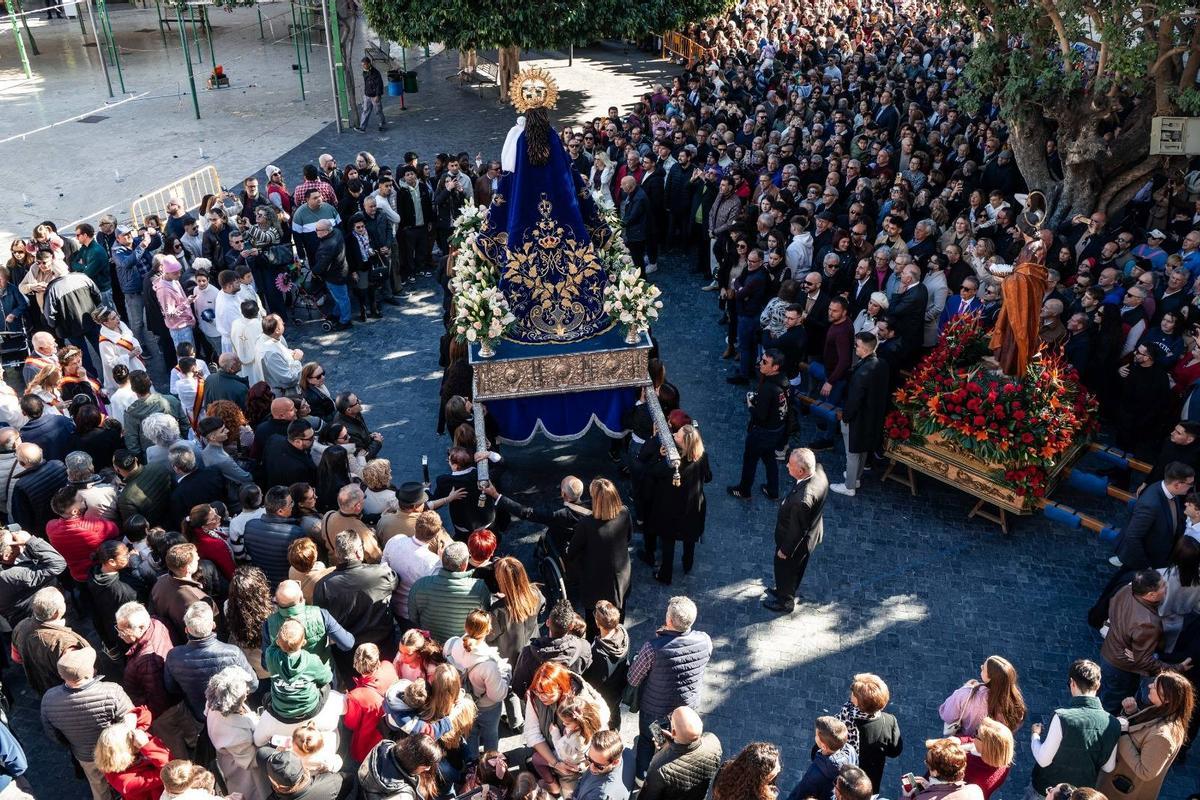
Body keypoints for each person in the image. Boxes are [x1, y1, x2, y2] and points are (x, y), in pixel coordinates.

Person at [628, 596, 713, 781]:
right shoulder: (705, 640)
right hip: (685, 711)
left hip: (655, 713)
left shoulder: (652, 648)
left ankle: (642, 777)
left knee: (648, 741)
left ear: (669, 620)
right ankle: (666, 762)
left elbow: (633, 678)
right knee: (675, 743)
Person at [40, 647, 134, 800]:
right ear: (90, 671)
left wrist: (73, 745)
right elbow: (130, 722)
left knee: (98, 786)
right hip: (116, 751)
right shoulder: (112, 691)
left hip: (85, 755)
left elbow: (53, 734)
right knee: (127, 782)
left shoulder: (48, 699)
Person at [1028, 659, 1121, 799]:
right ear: (1098, 685)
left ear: (1072, 683)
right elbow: (1108, 767)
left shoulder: (1062, 717)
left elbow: (1043, 759)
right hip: (1081, 794)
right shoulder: (1114, 724)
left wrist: (1035, 735)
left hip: (1048, 790)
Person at [1097, 670, 1195, 800]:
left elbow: (1146, 772)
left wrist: (1123, 734)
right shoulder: (1160, 709)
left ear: (1167, 698)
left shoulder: (1162, 737)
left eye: (1155, 686)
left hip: (1123, 791)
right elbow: (1144, 730)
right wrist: (1132, 712)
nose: (1149, 686)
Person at [313, 531, 397, 676]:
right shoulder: (381, 573)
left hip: (347, 654)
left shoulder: (323, 586)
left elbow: (321, 620)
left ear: (337, 554)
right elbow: (395, 582)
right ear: (358, 552)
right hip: (382, 645)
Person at [1098, 570, 1182, 713]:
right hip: (1121, 668)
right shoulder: (1148, 623)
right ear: (1151, 595)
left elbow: (1113, 610)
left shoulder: (1126, 590)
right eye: (1163, 586)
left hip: (1108, 653)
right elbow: (1144, 661)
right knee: (1112, 703)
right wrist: (1177, 668)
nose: (1166, 586)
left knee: (1106, 691)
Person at [164, 601, 259, 721]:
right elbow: (253, 685)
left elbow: (171, 688)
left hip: (198, 714)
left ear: (186, 630)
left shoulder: (173, 656)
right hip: (228, 714)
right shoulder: (233, 653)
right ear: (213, 625)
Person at [643, 424, 711, 584]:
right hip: (693, 508)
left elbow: (651, 471)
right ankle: (688, 564)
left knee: (668, 541)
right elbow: (708, 477)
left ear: (684, 443)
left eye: (677, 436)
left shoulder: (672, 463)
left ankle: (665, 575)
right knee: (690, 538)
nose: (673, 435)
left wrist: (659, 456)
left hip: (670, 509)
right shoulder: (702, 456)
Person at [764, 448, 829, 613]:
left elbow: (796, 530)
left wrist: (785, 550)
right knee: (792, 569)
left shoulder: (802, 501)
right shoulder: (818, 472)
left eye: (790, 464)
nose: (787, 465)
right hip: (811, 532)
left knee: (785, 568)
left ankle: (785, 602)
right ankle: (783, 590)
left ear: (801, 471)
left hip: (795, 542)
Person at [443, 608, 511, 758]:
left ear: (465, 626)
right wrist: (506, 673)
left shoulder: (452, 645)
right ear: (488, 630)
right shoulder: (489, 664)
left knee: (470, 734)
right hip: (486, 707)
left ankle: (473, 764)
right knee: (491, 734)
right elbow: (497, 695)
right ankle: (490, 763)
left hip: (462, 702)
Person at [832, 333, 890, 497]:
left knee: (852, 453)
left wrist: (846, 417)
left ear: (864, 348)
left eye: (856, 345)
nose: (855, 348)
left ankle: (849, 486)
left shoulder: (862, 372)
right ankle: (856, 478)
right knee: (862, 449)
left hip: (858, 417)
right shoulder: (882, 364)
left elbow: (854, 399)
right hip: (873, 416)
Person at [568, 477, 633, 624]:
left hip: (595, 581)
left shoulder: (586, 524)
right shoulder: (625, 512)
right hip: (620, 579)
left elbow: (572, 551)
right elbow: (628, 537)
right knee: (618, 618)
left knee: (593, 622)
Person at [727, 349, 789, 500]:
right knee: (769, 458)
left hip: (763, 432)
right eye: (762, 359)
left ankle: (744, 490)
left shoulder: (768, 388)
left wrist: (750, 405)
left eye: (765, 362)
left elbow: (760, 416)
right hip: (777, 429)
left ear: (775, 367)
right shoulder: (784, 380)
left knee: (750, 460)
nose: (760, 363)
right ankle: (773, 490)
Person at [204, 666, 272, 800]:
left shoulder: (216, 699)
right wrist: (273, 751)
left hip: (231, 753)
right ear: (233, 701)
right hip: (243, 769)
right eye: (244, 690)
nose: (247, 691)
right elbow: (250, 760)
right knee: (254, 793)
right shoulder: (234, 733)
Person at [1113, 462, 1194, 571]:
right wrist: (1147, 567)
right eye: (1190, 484)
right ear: (1177, 485)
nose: (1191, 487)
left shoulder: (1170, 491)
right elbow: (1132, 537)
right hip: (1144, 562)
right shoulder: (1150, 504)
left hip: (1160, 555)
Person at [408, 541, 491, 645]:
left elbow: (413, 618)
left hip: (429, 645)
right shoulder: (479, 588)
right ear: (464, 565)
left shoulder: (420, 585)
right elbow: (485, 619)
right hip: (462, 646)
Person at [12, 586, 89, 696]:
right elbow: (81, 674)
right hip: (68, 692)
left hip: (42, 688)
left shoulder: (20, 627)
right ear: (56, 612)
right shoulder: (65, 643)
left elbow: (16, 658)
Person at [837, 673, 903, 793]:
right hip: (870, 782)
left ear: (859, 702)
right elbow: (895, 751)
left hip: (843, 779)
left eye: (853, 692)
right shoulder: (889, 721)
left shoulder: (843, 719)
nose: (851, 692)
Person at [640, 706, 722, 800]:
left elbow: (648, 796)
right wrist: (672, 743)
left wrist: (663, 751)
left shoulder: (659, 767)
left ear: (673, 732)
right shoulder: (713, 741)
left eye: (671, 718)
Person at [92, 707, 171, 800]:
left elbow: (145, 713)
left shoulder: (112, 755)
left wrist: (132, 719)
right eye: (131, 737)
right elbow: (170, 772)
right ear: (126, 751)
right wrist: (147, 746)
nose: (138, 735)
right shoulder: (126, 782)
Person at [938, 655, 1028, 735]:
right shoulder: (1017, 706)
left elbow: (947, 715)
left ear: (990, 678)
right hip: (992, 747)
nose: (981, 666)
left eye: (983, 668)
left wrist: (965, 688)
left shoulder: (965, 694)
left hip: (965, 743)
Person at [583, 600, 630, 730]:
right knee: (615, 714)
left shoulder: (599, 652)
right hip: (618, 688)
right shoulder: (623, 633)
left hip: (604, 695)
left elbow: (594, 680)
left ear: (597, 623)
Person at [788, 716, 859, 800]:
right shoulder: (851, 750)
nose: (815, 736)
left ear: (824, 747)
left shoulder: (814, 774)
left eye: (816, 735)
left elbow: (799, 795)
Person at [357, 732, 444, 800]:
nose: (428, 768)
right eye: (427, 766)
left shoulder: (385, 746)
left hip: (359, 787)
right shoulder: (404, 795)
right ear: (416, 764)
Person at [903, 738, 985, 800]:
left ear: (935, 772)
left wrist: (906, 797)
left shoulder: (921, 798)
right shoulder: (975, 790)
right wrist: (931, 788)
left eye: (927, 763)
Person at [711, 741, 781, 800]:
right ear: (762, 776)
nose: (779, 768)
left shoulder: (725, 770)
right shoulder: (760, 797)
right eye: (775, 767)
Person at [575, 729, 629, 800]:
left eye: (599, 766)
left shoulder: (601, 795)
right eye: (589, 759)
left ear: (615, 762)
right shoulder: (624, 753)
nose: (591, 767)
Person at [356, 56, 388, 132]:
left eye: (364, 64)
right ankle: (362, 127)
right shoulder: (365, 72)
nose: (363, 66)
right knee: (365, 111)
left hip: (374, 96)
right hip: (367, 95)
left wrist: (377, 95)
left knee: (378, 111)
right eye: (362, 65)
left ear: (369, 64)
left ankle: (382, 125)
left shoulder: (375, 73)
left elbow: (379, 85)